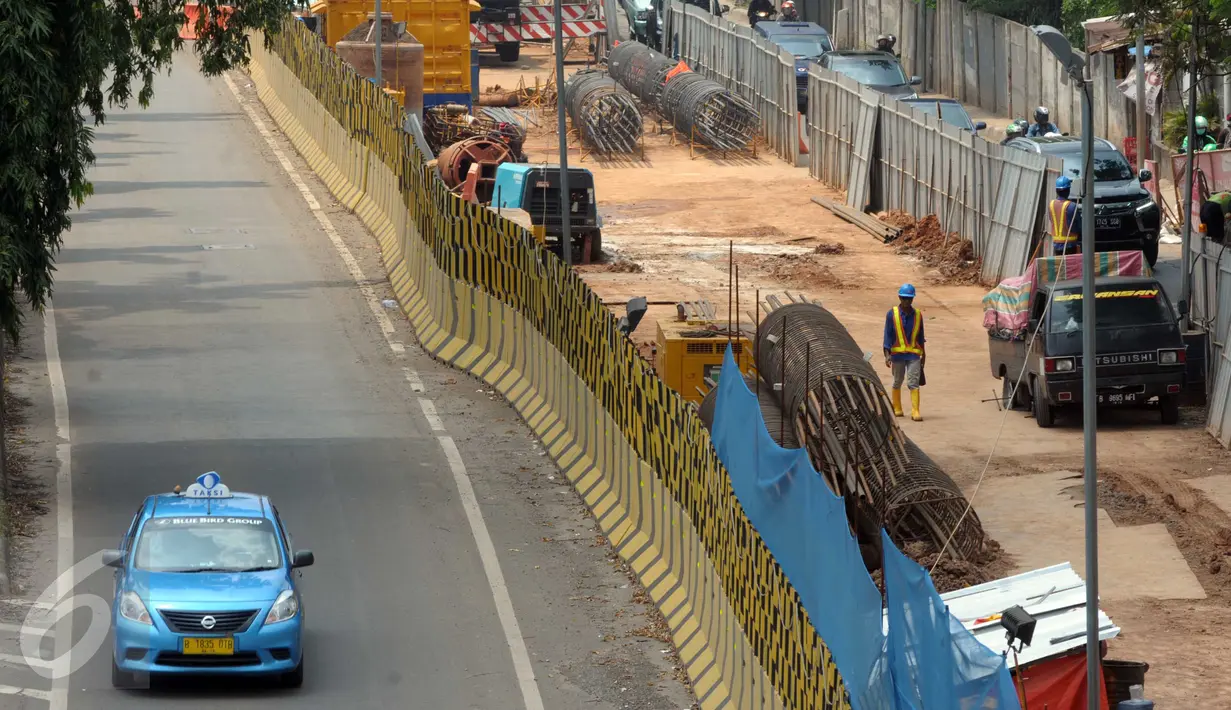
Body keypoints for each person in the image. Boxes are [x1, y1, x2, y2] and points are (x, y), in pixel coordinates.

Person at [883, 284, 926, 422]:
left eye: (909, 299)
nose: (907, 301)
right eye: (904, 298)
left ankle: (915, 410)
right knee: (897, 381)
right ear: (899, 298)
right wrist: (887, 354)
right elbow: (887, 335)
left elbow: (921, 336)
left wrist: (924, 355)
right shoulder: (892, 314)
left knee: (913, 382)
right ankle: (897, 408)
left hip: (913, 355)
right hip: (897, 355)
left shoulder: (918, 315)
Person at [1048, 175, 1081, 256]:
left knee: (1060, 267)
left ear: (1056, 190)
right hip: (1070, 246)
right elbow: (1080, 226)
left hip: (1056, 246)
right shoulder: (1072, 206)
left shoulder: (1051, 205)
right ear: (1068, 190)